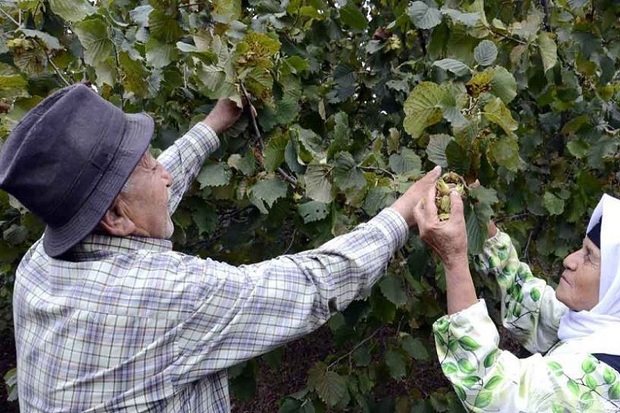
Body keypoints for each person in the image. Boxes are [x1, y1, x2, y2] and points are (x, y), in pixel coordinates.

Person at [0, 83, 441, 412]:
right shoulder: (167, 295)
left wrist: (214, 124)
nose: (165, 175)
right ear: (115, 217)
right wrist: (405, 208)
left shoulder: (39, 265)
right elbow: (313, 285)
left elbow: (136, 200)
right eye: (150, 164)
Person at [414, 185, 620, 412]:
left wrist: (453, 259)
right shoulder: (601, 327)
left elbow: (493, 390)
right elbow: (530, 303)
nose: (570, 260)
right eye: (581, 249)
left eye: (590, 256)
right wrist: (478, 218)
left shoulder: (600, 382)